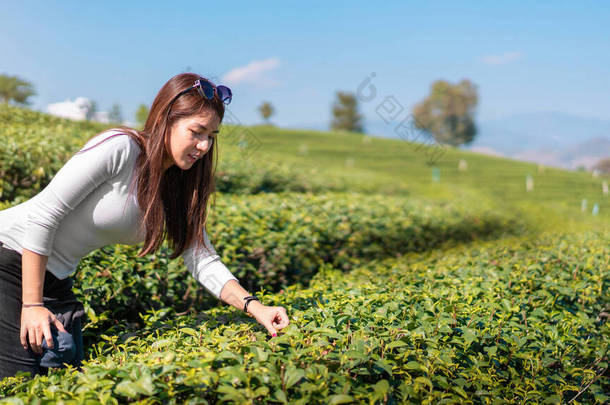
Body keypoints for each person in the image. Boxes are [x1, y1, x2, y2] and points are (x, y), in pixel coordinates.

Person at [0, 73, 290, 379]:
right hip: (9, 257)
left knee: (66, 379)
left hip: (55, 279)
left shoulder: (178, 184)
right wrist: (31, 304)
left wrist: (256, 308)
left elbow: (201, 257)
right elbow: (44, 215)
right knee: (19, 381)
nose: (204, 145)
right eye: (196, 131)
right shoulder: (121, 148)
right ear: (166, 119)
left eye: (211, 136)